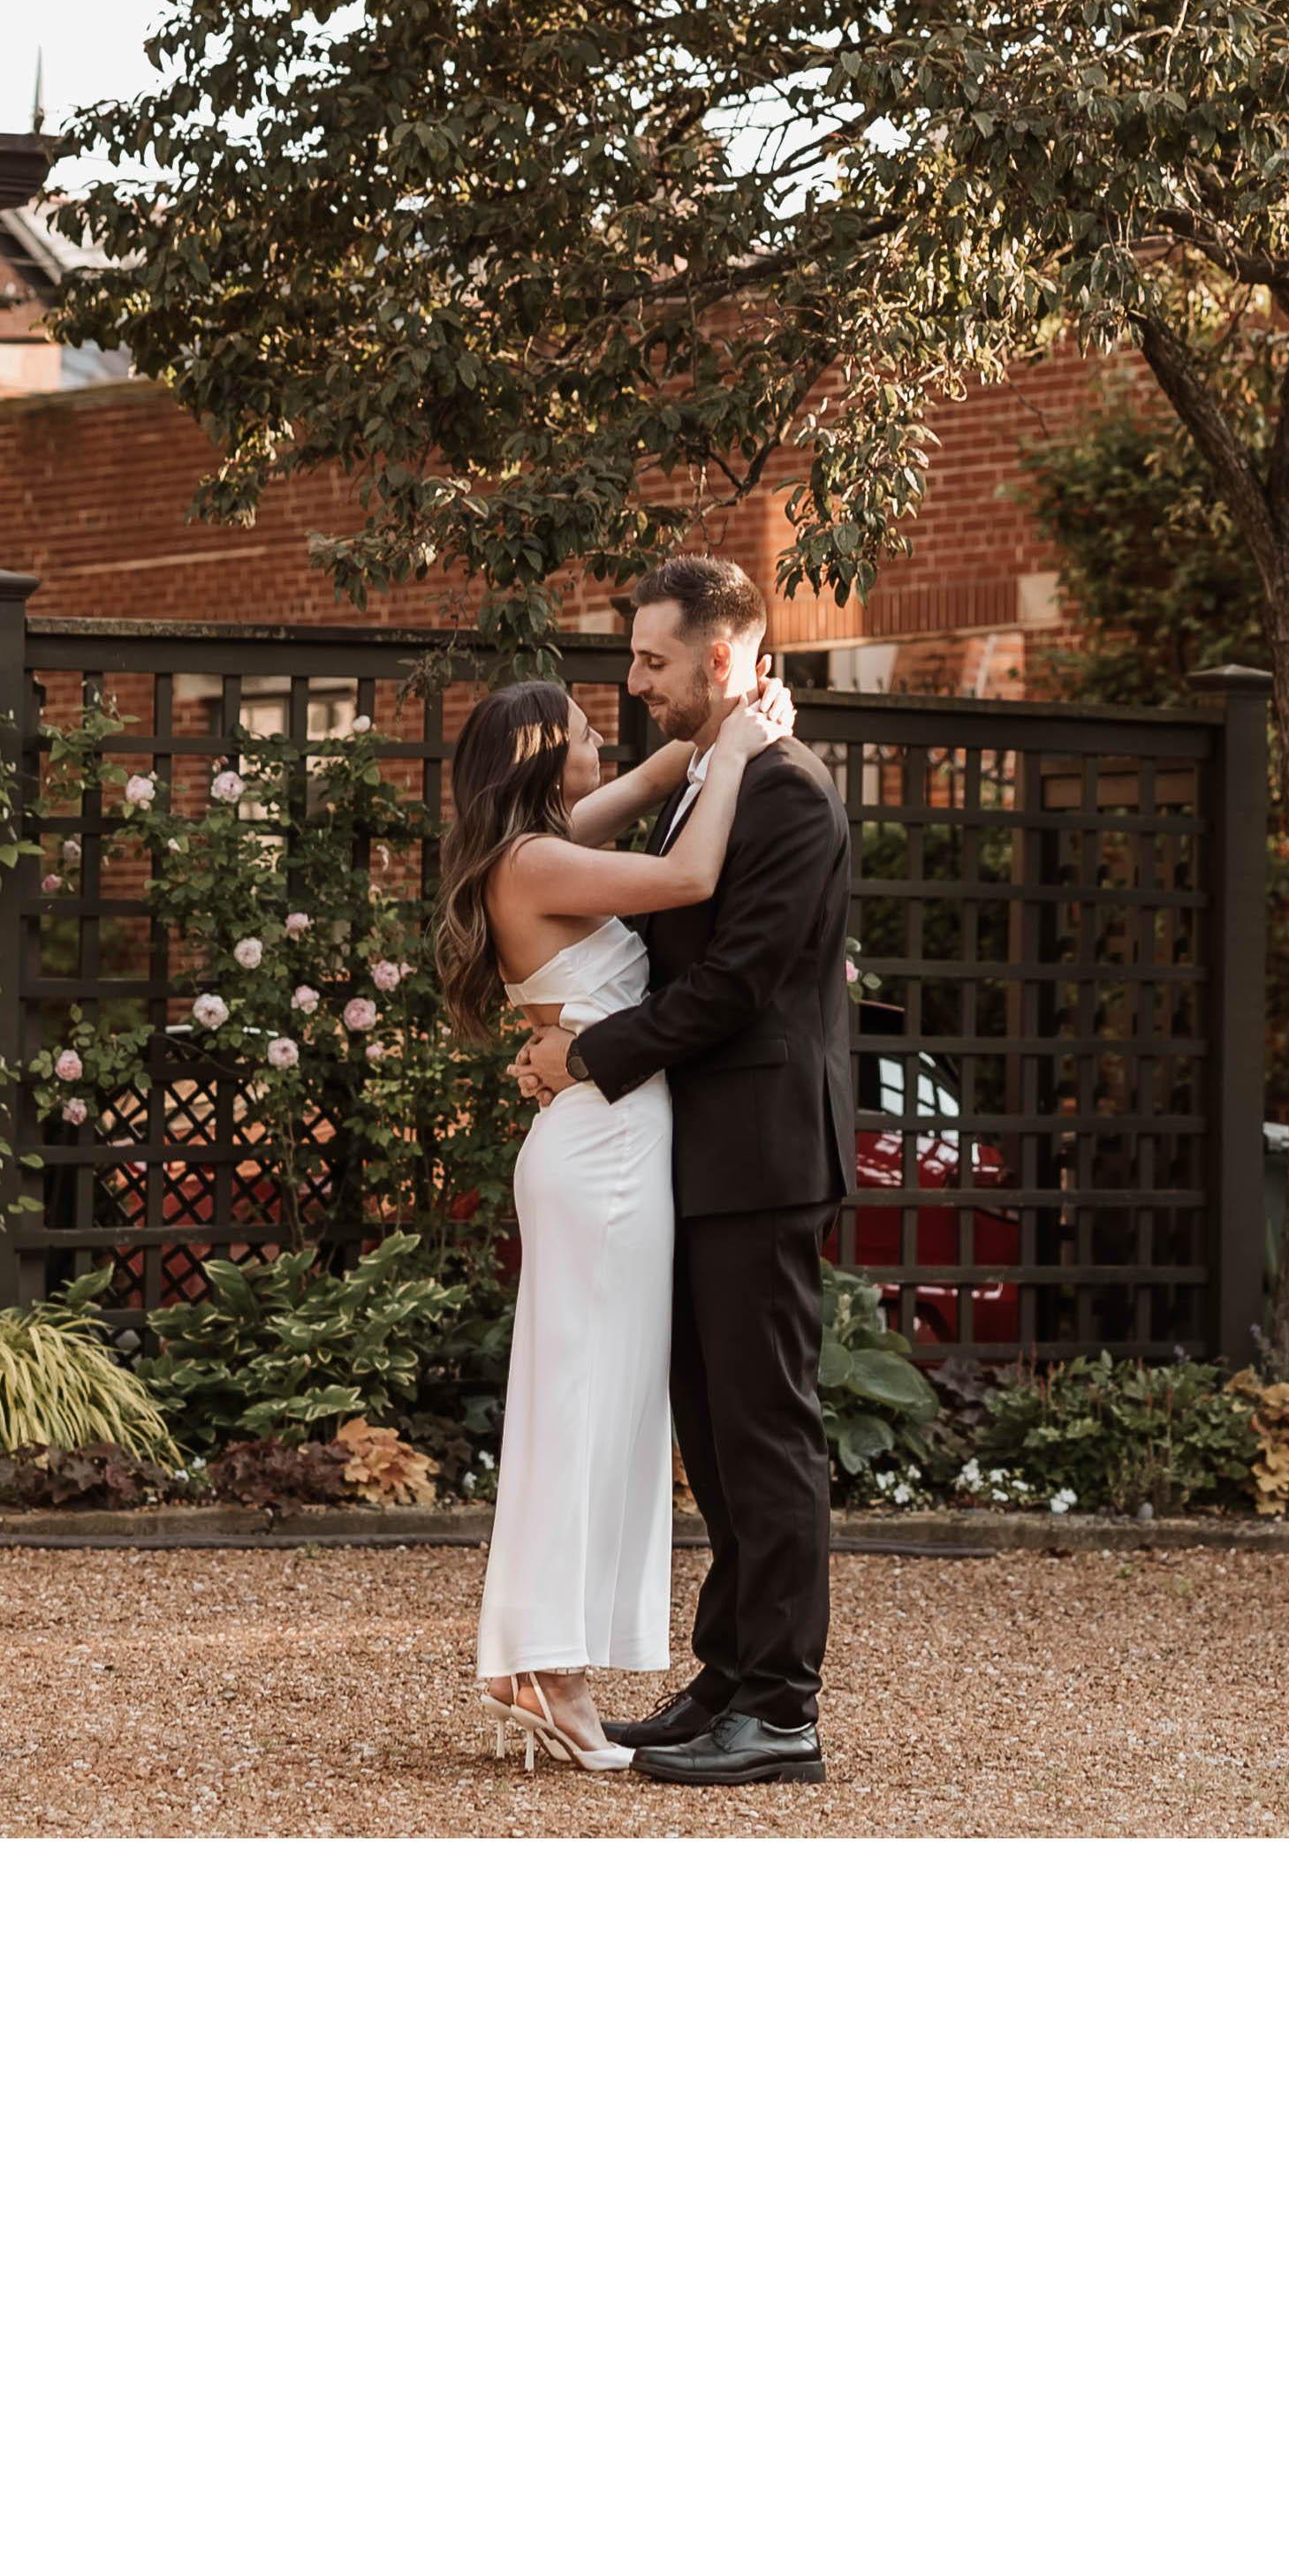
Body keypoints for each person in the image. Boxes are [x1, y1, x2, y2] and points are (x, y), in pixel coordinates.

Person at [512, 551, 857, 1792]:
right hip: (699, 1157)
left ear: (720, 659)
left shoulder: (787, 792)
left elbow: (732, 985)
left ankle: (782, 1709)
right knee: (713, 1435)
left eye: (652, 661)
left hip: (762, 1154)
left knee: (764, 1432)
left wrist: (587, 1054)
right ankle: (727, 1674)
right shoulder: (712, 775)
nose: (635, 681)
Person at [445, 648, 793, 1769]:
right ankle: (548, 1671)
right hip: (604, 1159)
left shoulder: (534, 844)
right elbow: (689, 877)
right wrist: (740, 751)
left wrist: (736, 713)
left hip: (602, 1145)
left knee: (591, 1407)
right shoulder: (539, 860)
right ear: (543, 753)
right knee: (584, 1414)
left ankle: (536, 1659)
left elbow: (652, 781)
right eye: (587, 726)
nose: (609, 735)